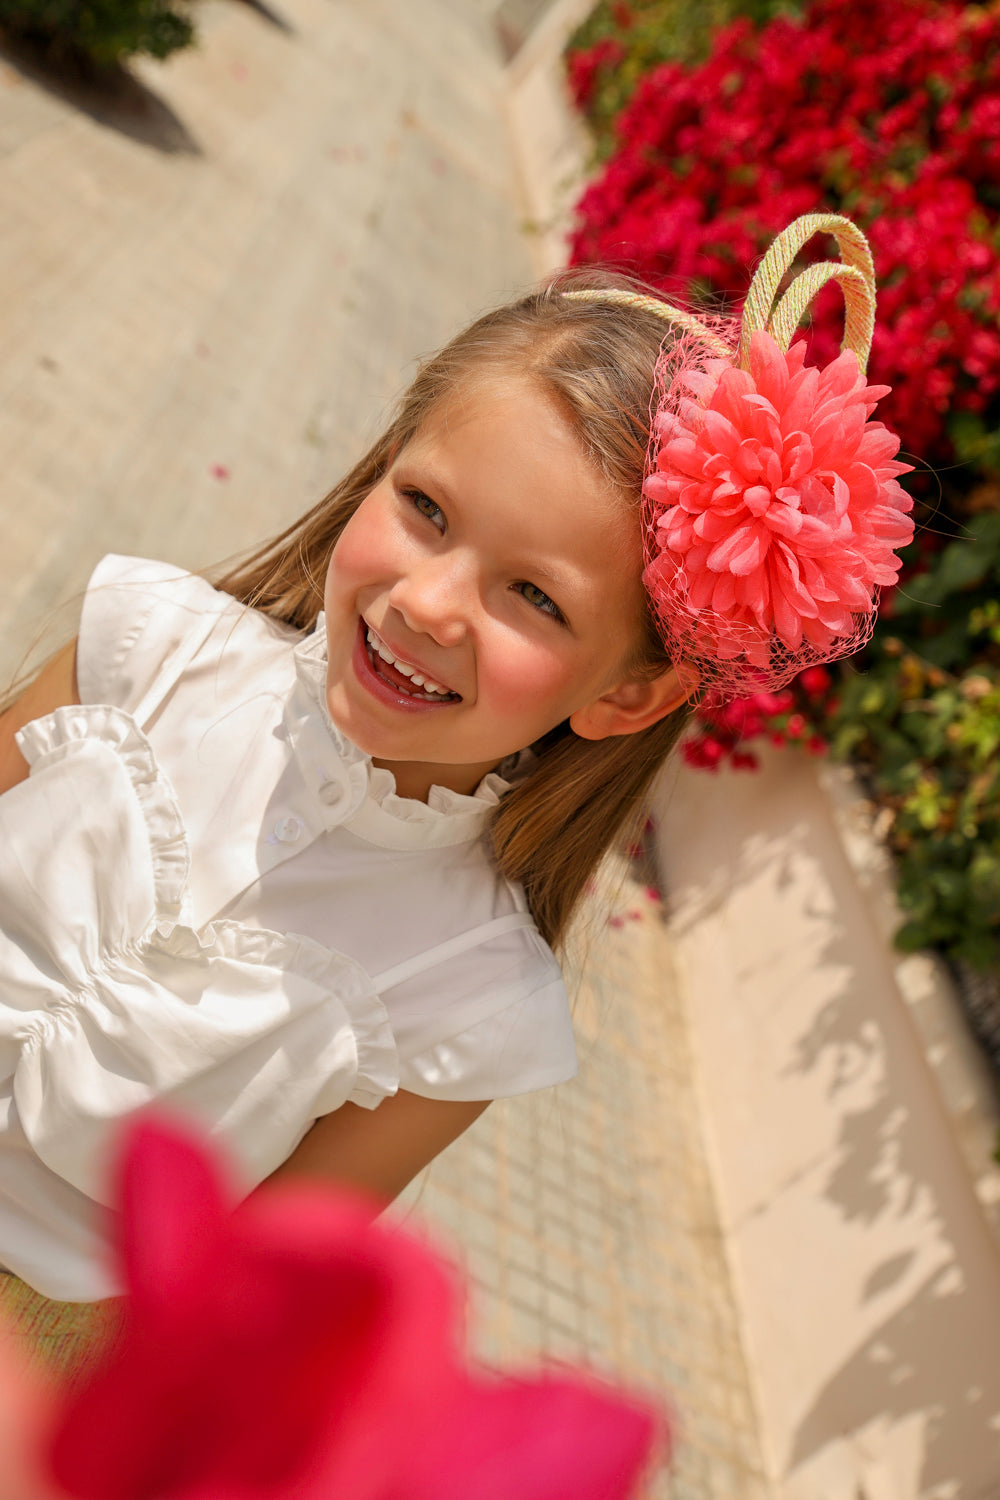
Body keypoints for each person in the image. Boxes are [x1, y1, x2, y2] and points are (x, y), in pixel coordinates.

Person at [0, 213, 913, 1305]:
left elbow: (240, 1300)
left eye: (532, 597)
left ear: (628, 695)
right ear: (383, 464)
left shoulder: (469, 1000)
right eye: (425, 509)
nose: (428, 605)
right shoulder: (140, 646)